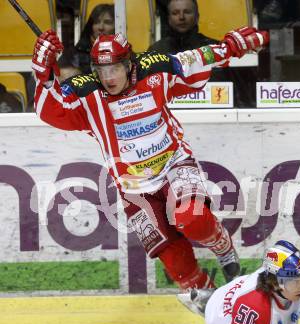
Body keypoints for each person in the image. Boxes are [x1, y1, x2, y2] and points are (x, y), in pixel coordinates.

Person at [31, 27, 269, 293]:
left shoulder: (154, 69)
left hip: (173, 164)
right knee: (177, 263)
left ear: (129, 64)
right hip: (133, 186)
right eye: (101, 70)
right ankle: (209, 301)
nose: (108, 78)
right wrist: (44, 75)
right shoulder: (87, 94)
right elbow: (49, 111)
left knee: (194, 219)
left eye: (115, 69)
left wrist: (230, 47)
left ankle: (221, 244)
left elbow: (194, 59)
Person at [149, 0, 258, 108]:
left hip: (212, 114)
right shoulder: (156, 51)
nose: (181, 17)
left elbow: (231, 91)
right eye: (175, 13)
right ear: (168, 18)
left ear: (197, 17)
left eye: (187, 12)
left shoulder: (214, 48)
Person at [61, 3, 115, 75]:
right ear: (90, 26)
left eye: (107, 22)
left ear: (117, 26)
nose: (101, 27)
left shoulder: (126, 54)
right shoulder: (73, 54)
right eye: (96, 22)